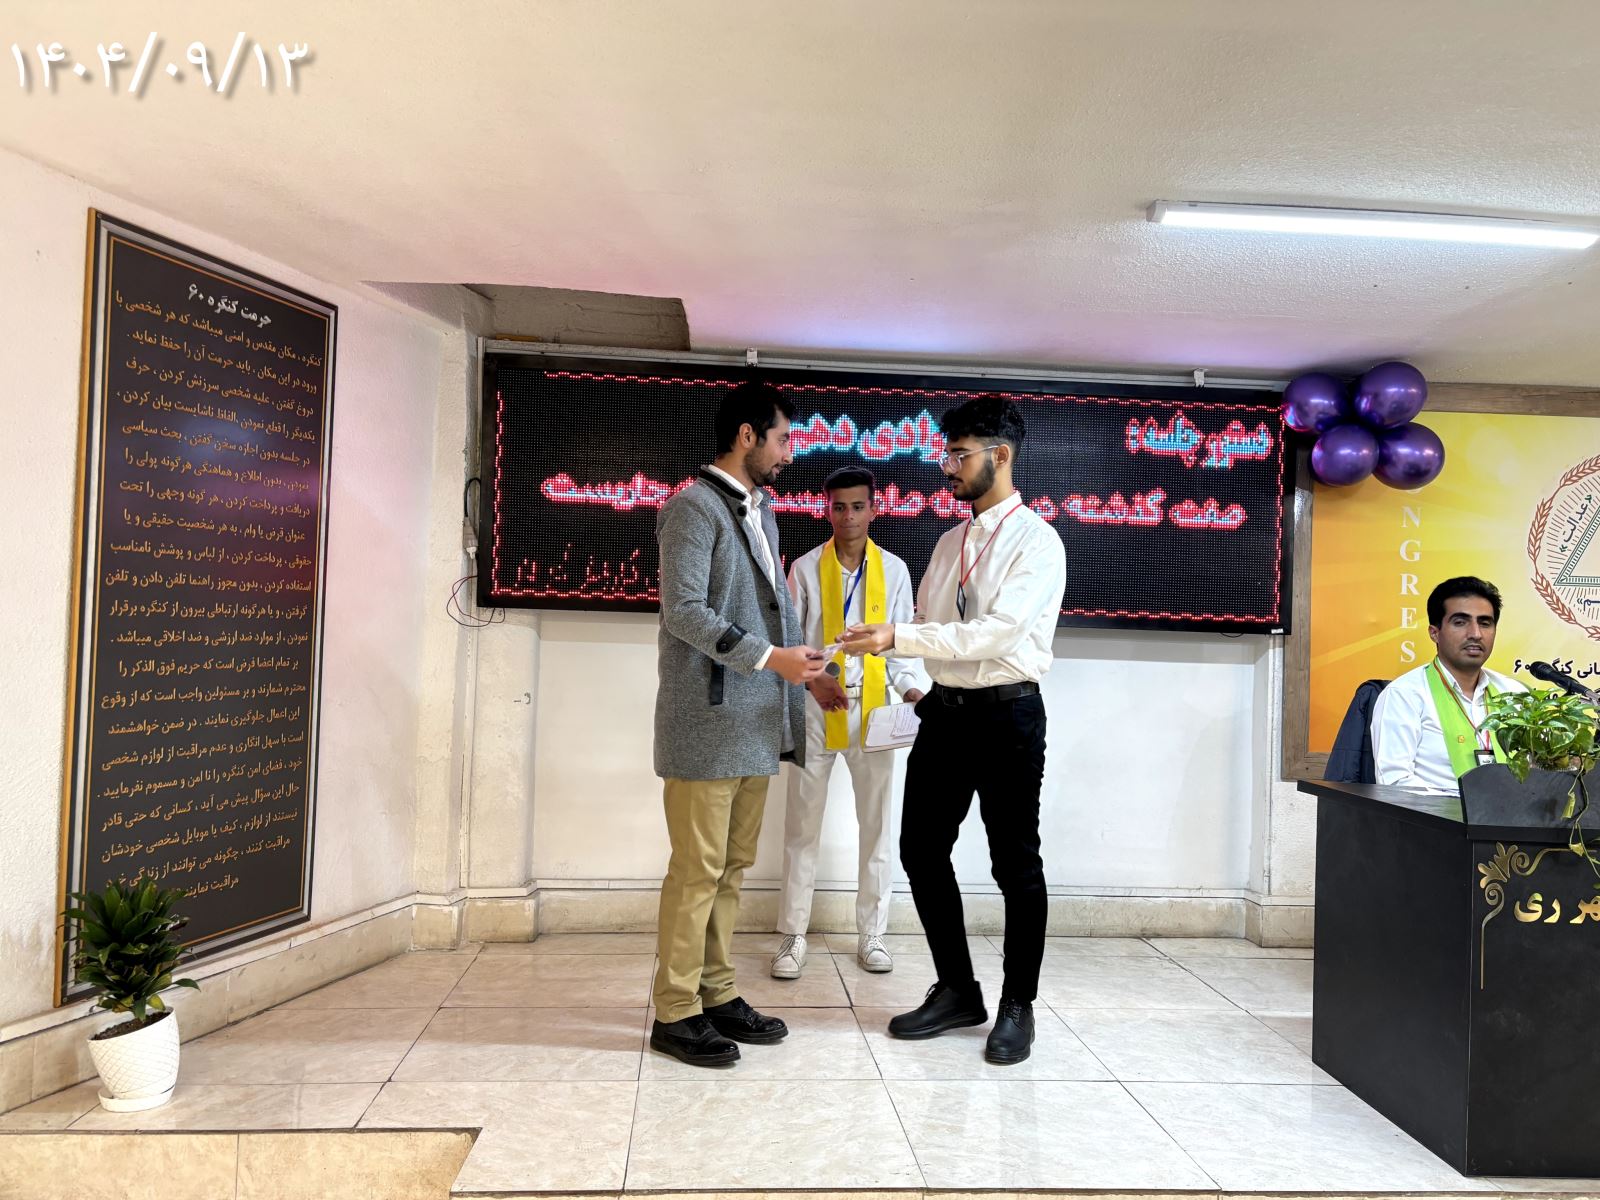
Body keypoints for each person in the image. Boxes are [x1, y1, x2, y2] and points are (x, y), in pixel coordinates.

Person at [836, 395, 1066, 1065]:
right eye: (947, 454)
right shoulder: (947, 543)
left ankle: (1018, 1005)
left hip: (1008, 714)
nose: (947, 467)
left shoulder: (1036, 541)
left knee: (1014, 864)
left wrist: (899, 636)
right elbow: (927, 628)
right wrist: (900, 655)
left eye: (959, 455)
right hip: (945, 712)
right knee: (920, 850)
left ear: (1001, 455)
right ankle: (958, 990)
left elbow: (996, 634)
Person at [649, 379, 827, 1068]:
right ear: (747, 435)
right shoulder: (692, 508)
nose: (788, 452)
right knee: (697, 871)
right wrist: (772, 658)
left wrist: (804, 668)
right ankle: (675, 1011)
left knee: (730, 870)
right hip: (707, 721)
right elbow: (684, 612)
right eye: (782, 438)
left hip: (755, 723)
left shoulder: (763, 510)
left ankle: (717, 993)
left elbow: (776, 609)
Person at [772, 467, 929, 980]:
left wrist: (913, 691)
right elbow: (791, 644)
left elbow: (901, 647)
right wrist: (812, 680)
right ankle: (793, 934)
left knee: (877, 827)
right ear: (827, 510)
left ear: (874, 510)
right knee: (801, 826)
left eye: (858, 506)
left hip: (874, 712)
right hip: (818, 708)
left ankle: (873, 933)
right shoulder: (804, 568)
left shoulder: (895, 570)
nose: (848, 516)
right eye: (839, 507)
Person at [1370, 576, 1525, 793]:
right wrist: (1464, 806)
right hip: (1434, 814)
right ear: (1434, 633)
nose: (1475, 634)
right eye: (1460, 622)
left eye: (1485, 623)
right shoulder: (1404, 695)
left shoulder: (1514, 692)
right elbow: (1394, 783)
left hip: (1512, 812)